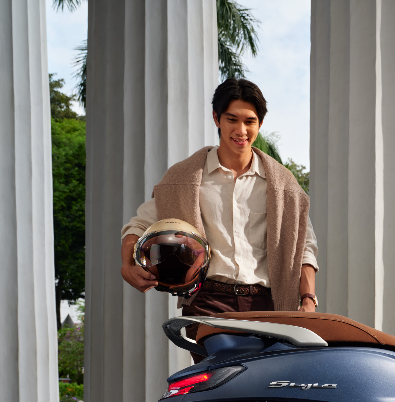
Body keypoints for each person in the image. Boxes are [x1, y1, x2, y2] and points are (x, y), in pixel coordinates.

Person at [120, 78, 318, 317]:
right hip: (206, 301)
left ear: (260, 124)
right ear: (217, 118)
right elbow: (139, 225)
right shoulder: (185, 177)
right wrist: (127, 265)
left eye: (249, 121)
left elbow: (304, 244)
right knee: (218, 344)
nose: (241, 131)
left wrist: (308, 298)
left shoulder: (282, 184)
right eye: (232, 119)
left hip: (268, 305)